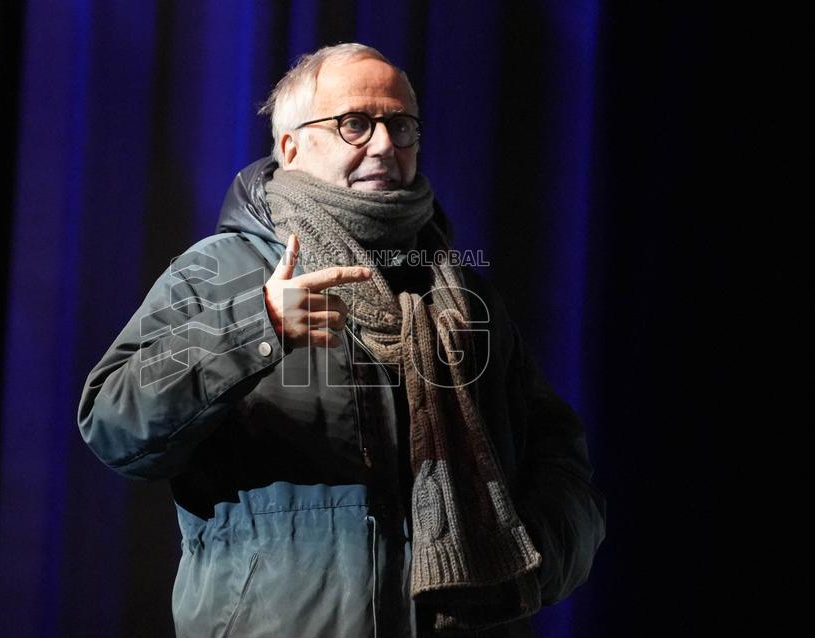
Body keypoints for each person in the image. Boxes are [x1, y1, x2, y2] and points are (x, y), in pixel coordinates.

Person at [78, 43, 606, 638]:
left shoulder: (460, 291)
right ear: (290, 147)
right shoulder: (220, 270)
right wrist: (258, 326)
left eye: (400, 125)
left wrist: (541, 563)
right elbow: (113, 424)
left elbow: (557, 451)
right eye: (355, 124)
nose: (384, 144)